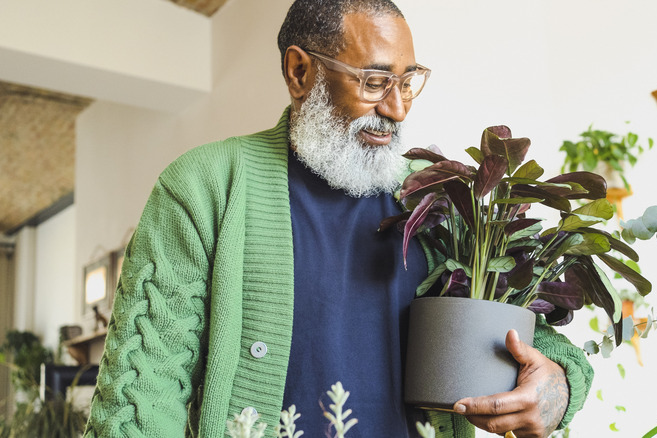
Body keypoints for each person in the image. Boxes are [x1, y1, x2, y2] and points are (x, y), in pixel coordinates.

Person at [83, 1, 593, 437]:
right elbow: (142, 395)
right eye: (374, 82)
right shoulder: (203, 187)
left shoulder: (438, 194)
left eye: (409, 82)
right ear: (300, 72)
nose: (396, 108)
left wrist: (559, 386)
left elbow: (528, 338)